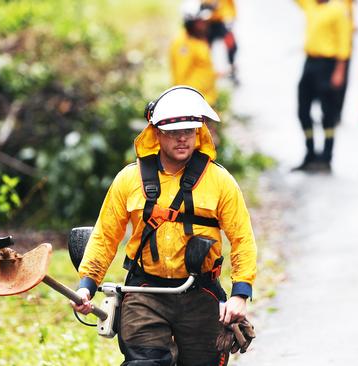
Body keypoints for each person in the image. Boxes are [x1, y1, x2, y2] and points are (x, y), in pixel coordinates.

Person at [71, 86, 257, 365]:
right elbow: (104, 236)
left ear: (199, 132)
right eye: (173, 131)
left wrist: (240, 294)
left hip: (201, 294)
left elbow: (242, 239)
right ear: (156, 132)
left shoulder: (221, 182)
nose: (182, 138)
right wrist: (86, 285)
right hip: (145, 293)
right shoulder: (128, 180)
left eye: (189, 130)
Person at [292, 0, 351, 172]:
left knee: (328, 113)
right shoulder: (310, 4)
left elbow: (344, 42)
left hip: (328, 65)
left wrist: (340, 71)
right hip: (310, 63)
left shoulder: (338, 9)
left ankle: (326, 157)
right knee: (303, 111)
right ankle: (310, 153)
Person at [170, 1, 218, 106]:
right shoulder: (183, 45)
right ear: (191, 22)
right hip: (193, 105)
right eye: (200, 21)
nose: (205, 24)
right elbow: (180, 81)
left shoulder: (198, 39)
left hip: (207, 101)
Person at [202, 0, 239, 84]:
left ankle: (232, 70)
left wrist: (232, 16)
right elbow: (200, 5)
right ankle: (205, 72)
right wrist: (209, 5)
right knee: (204, 48)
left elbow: (231, 5)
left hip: (222, 22)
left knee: (232, 46)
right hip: (209, 23)